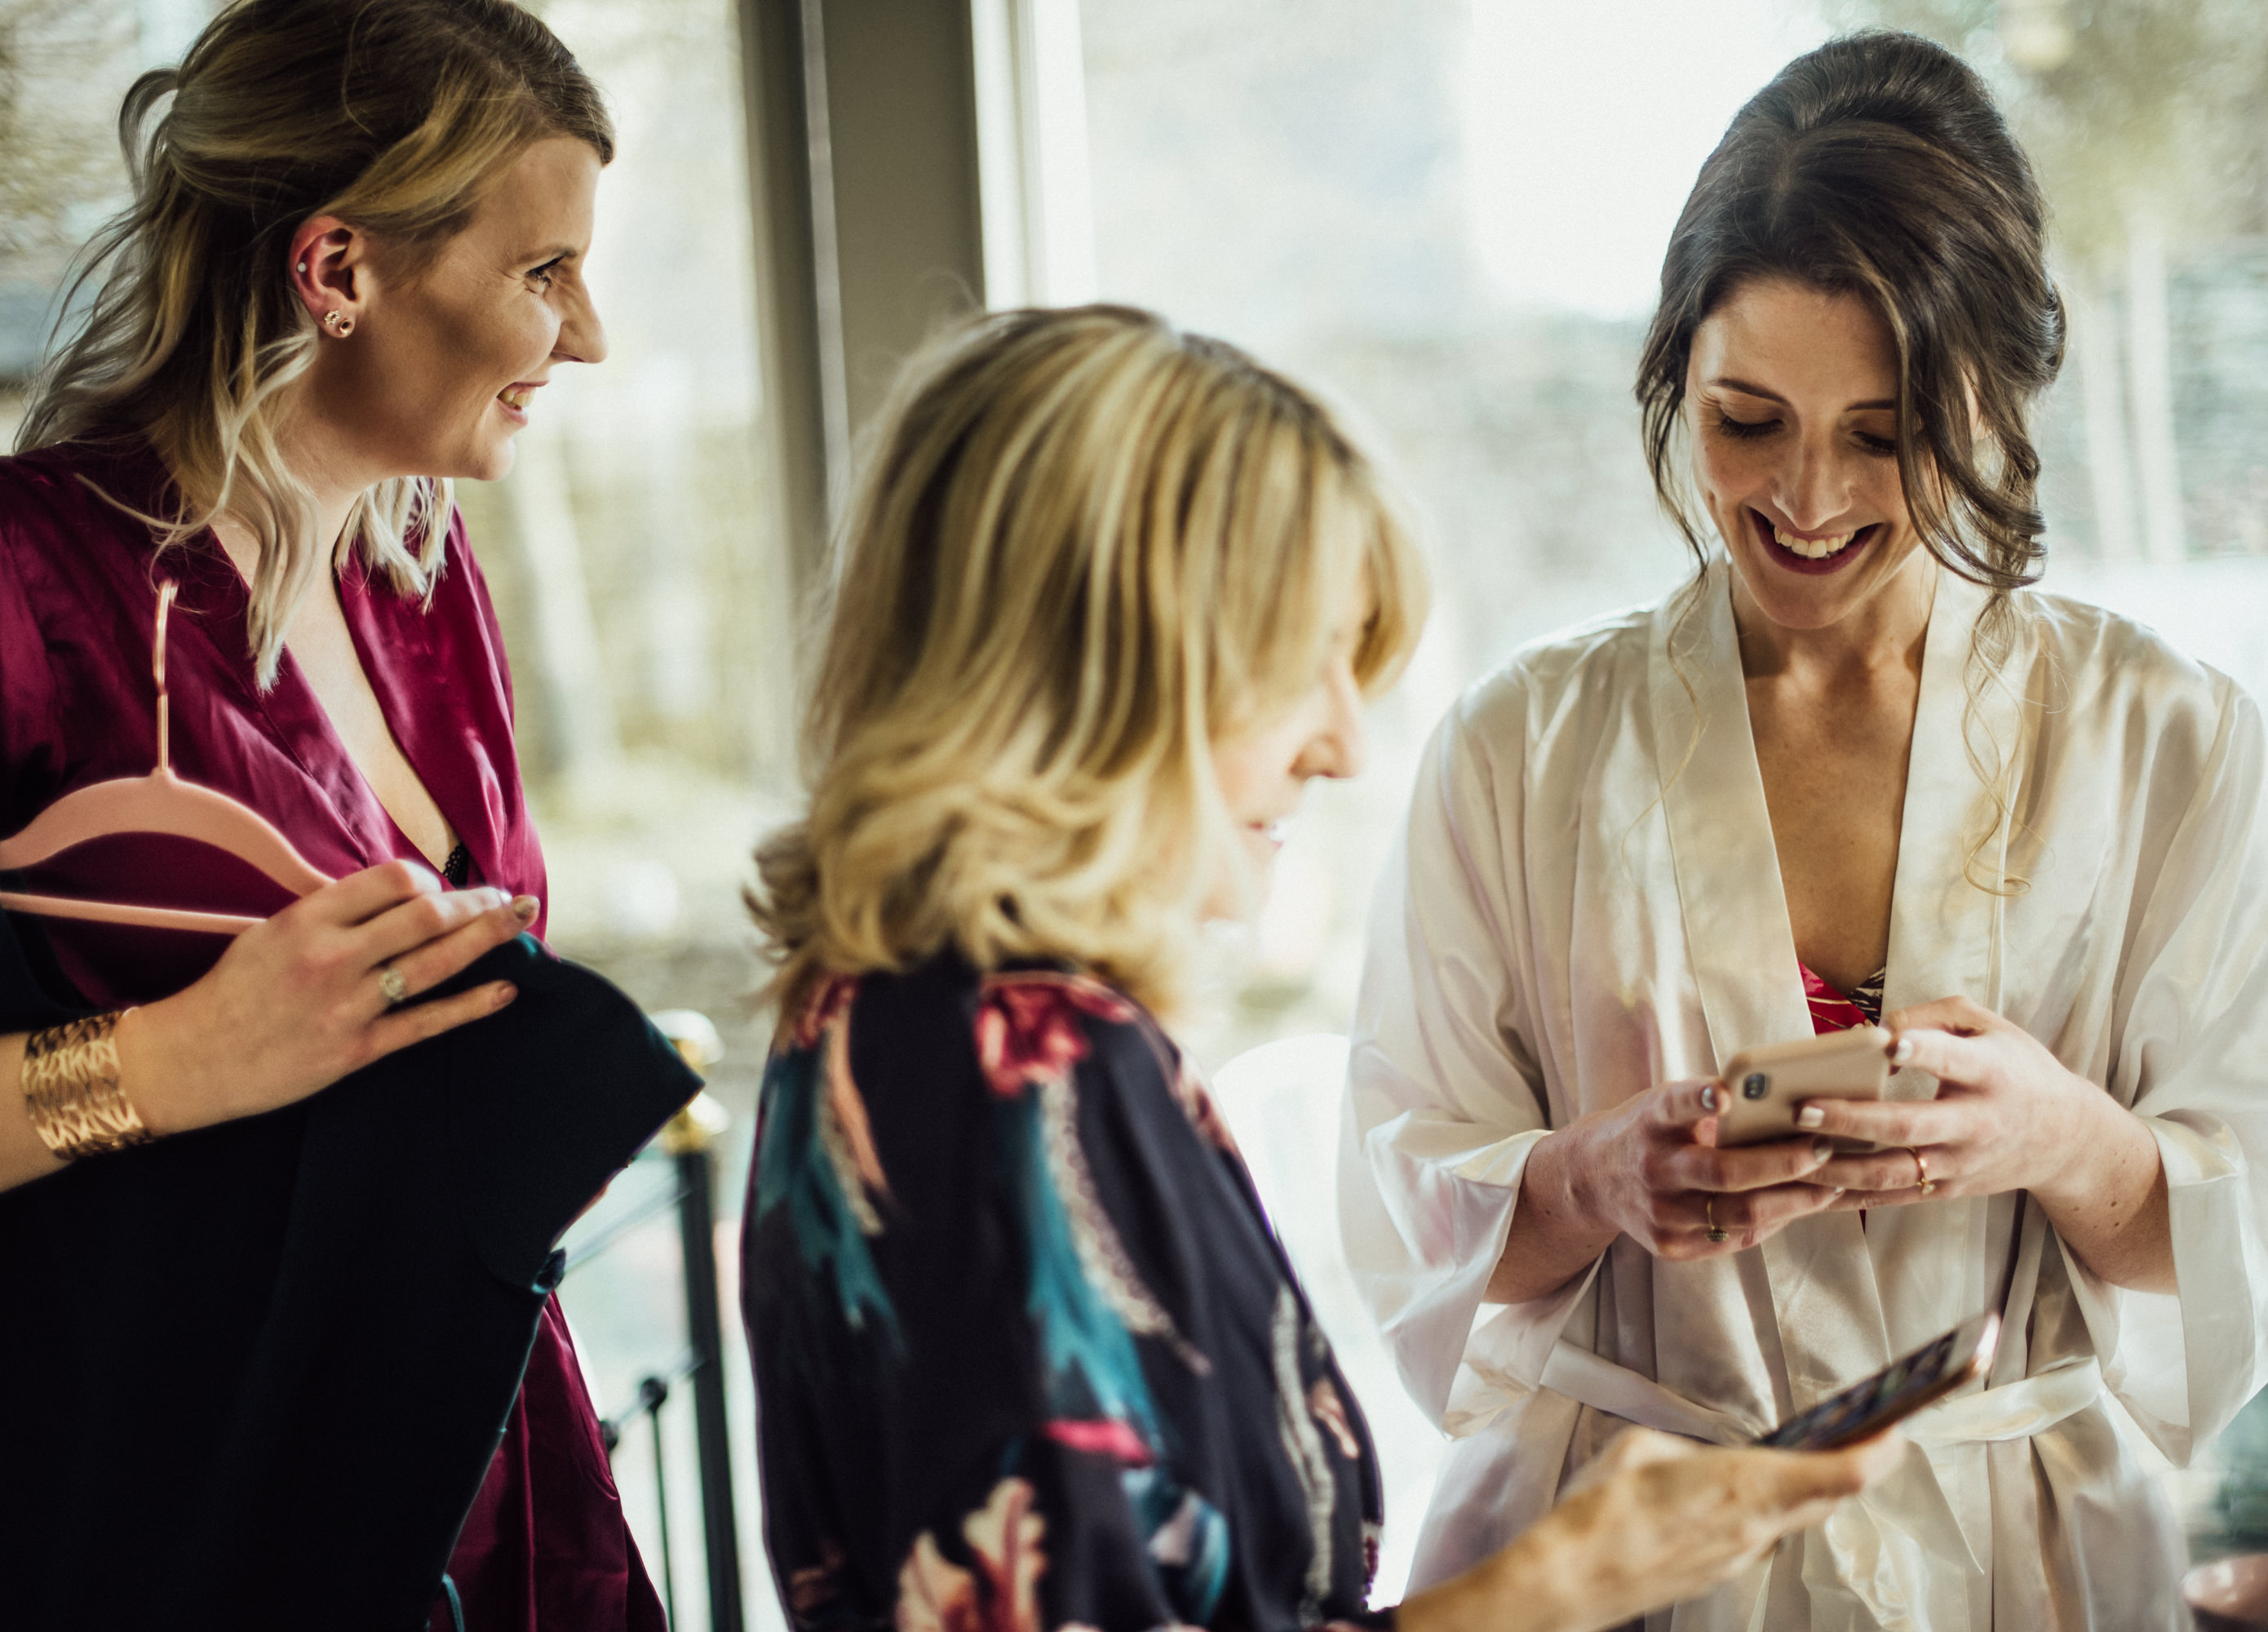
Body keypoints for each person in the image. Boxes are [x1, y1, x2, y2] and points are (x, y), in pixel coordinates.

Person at [1341, 31, 2268, 1631]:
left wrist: (2059, 1138)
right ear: (1675, 369)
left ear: (1992, 402)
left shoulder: (2158, 737)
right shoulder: (1518, 749)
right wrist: (1590, 1176)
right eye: (1746, 419)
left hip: (2012, 1553)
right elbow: (1406, 1203)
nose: (1805, 499)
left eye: (1883, 434)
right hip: (1623, 1543)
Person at [739, 304, 1900, 1632]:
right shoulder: (1030, 1072)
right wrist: (1562, 1583)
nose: (1343, 747)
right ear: (1105, 654)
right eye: (1304, 667)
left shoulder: (869, 1022)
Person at [0, 1, 674, 1625]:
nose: (585, 338)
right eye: (542, 274)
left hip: (479, 1464)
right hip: (174, 1514)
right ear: (340, 272)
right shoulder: (29, 581)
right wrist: (164, 1066)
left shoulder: (426, 586)